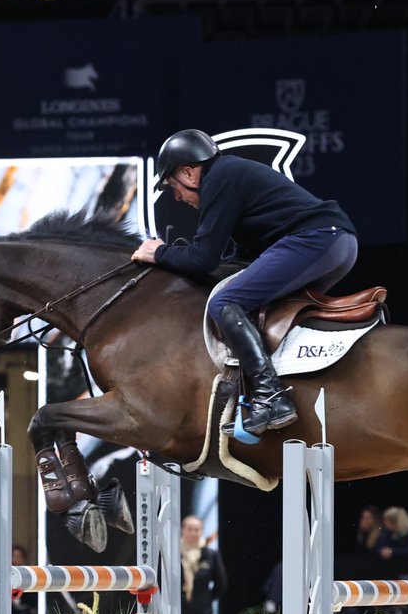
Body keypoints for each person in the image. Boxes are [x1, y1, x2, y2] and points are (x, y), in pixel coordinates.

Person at [131, 128, 359, 436]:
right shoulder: (230, 174)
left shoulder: (220, 177)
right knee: (253, 303)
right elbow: (237, 259)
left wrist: (159, 252)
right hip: (334, 244)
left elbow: (202, 259)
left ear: (188, 172)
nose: (177, 197)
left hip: (316, 241)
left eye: (174, 186)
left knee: (225, 301)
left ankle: (271, 396)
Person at [11, 545, 37, 614]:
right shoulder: (4, 576)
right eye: (13, 556)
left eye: (18, 557)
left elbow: (33, 602)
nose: (15, 560)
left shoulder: (29, 577)